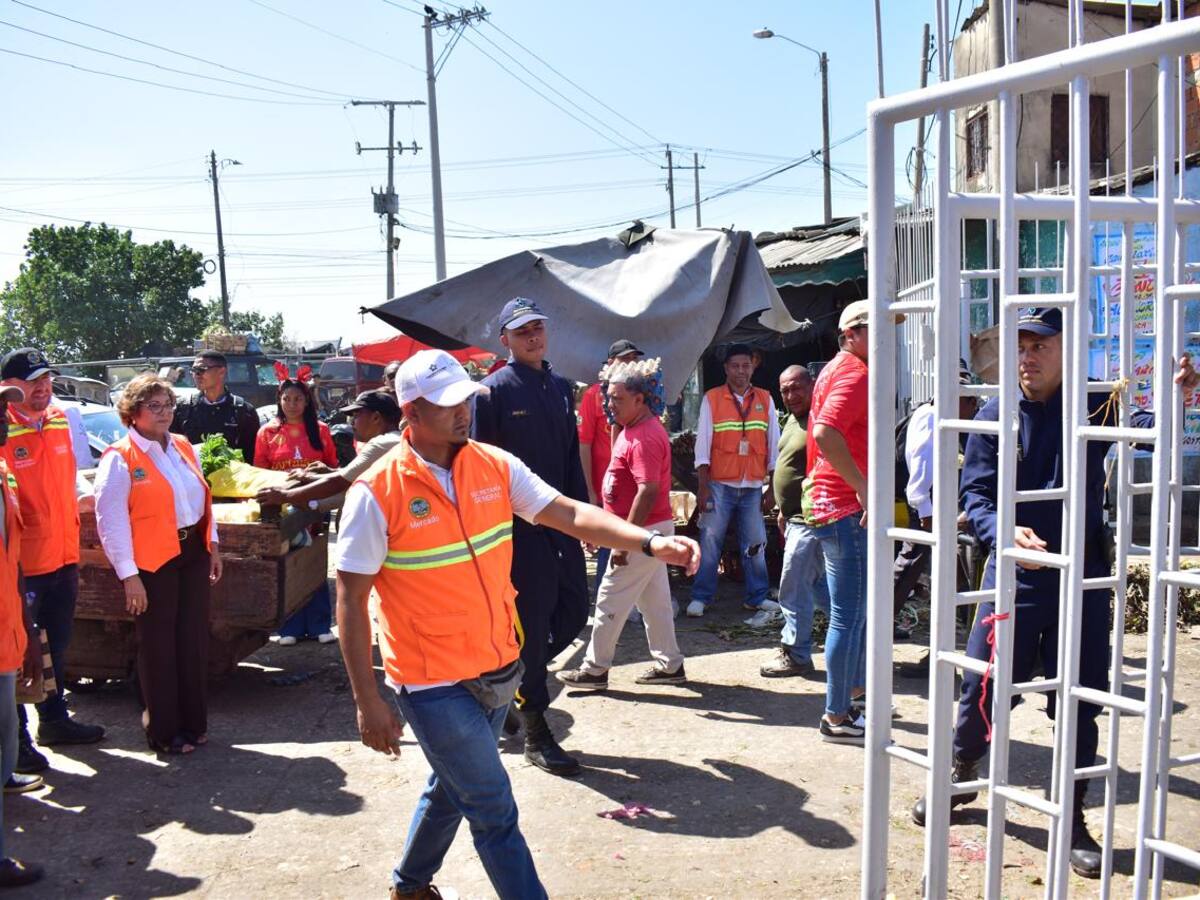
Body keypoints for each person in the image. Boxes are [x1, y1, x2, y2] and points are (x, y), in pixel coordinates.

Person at [335, 349, 699, 899]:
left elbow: (570, 512)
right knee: (493, 808)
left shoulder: (493, 465)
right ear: (409, 410)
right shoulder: (375, 493)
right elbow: (350, 599)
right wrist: (368, 699)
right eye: (447, 403)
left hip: (499, 663)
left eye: (466, 399)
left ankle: (409, 886)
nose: (463, 412)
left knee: (450, 786)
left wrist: (649, 540)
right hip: (431, 679)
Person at [910, 307, 1198, 877]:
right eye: (1021, 347)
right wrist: (1002, 533)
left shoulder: (1094, 406)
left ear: (1067, 351)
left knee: (1081, 701)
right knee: (982, 686)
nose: (1028, 357)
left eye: (1040, 346)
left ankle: (1071, 818)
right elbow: (976, 497)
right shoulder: (996, 413)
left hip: (1082, 583)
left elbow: (1147, 433)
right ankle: (963, 767)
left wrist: (1177, 395)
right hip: (1014, 578)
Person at [471, 298, 591, 776]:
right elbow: (479, 470)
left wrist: (584, 521)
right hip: (517, 535)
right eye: (522, 332)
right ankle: (537, 732)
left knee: (574, 612)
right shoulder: (490, 393)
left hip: (560, 524)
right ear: (505, 340)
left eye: (538, 328)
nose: (533, 337)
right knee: (531, 627)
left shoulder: (562, 388)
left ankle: (507, 681)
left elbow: (568, 461)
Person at [94, 374, 222, 755]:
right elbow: (111, 521)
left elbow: (201, 498)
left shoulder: (183, 446)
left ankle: (193, 723)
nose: (164, 413)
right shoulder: (120, 458)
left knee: (193, 641)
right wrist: (129, 576)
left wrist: (211, 544)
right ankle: (165, 732)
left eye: (168, 405)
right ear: (133, 413)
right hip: (152, 563)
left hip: (191, 554)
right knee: (158, 647)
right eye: (154, 406)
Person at [0, 348, 104, 775]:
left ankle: (54, 720)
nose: (44, 388)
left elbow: (71, 474)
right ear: (11, 387)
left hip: (63, 555)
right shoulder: (4, 429)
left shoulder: (60, 418)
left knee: (56, 647)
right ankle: (17, 740)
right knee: (19, 653)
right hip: (23, 566)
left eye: (47, 380)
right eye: (34, 381)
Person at [557, 358, 685, 689]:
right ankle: (670, 664)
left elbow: (648, 489)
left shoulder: (644, 436)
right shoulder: (633, 429)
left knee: (610, 598)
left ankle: (594, 669)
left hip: (644, 533)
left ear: (640, 400)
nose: (609, 404)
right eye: (608, 397)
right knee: (655, 604)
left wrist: (626, 541)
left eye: (617, 399)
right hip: (647, 532)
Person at [804, 301, 871, 744]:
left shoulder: (836, 368)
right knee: (848, 616)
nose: (888, 338)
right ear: (849, 334)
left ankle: (852, 697)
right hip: (842, 503)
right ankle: (837, 716)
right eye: (874, 328)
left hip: (827, 502)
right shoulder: (856, 373)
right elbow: (825, 432)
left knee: (850, 613)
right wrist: (863, 486)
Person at [687, 343, 781, 618]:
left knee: (755, 542)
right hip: (719, 484)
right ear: (726, 369)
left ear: (753, 367)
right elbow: (702, 446)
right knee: (711, 540)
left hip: (752, 485)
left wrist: (772, 487)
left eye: (746, 365)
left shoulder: (765, 398)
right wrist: (702, 488)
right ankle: (701, 597)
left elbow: (774, 445)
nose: (741, 371)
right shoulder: (712, 398)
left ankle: (757, 597)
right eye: (735, 366)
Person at [892, 359, 977, 638]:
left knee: (945, 564)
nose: (974, 408)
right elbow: (920, 469)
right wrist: (927, 514)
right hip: (927, 507)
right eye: (970, 401)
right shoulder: (931, 417)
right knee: (909, 564)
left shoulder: (937, 415)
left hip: (934, 505)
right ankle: (877, 621)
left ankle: (967, 622)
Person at [0, 381, 46, 888]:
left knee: (5, 739)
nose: (5, 419)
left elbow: (12, 562)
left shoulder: (3, 473)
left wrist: (29, 632)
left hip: (7, 632)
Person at [255, 373, 338, 646]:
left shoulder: (321, 430)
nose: (292, 404)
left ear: (306, 401)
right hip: (283, 510)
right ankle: (289, 626)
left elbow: (333, 469)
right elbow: (259, 473)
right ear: (279, 400)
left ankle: (319, 623)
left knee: (314, 560)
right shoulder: (267, 432)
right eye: (287, 398)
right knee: (287, 562)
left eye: (298, 399)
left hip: (315, 507)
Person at [760, 365, 829, 678]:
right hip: (795, 518)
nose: (791, 395)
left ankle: (796, 653)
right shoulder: (790, 421)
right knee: (819, 589)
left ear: (811, 385)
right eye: (785, 390)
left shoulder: (820, 419)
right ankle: (864, 639)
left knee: (793, 586)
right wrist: (782, 510)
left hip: (811, 519)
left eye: (797, 388)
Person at [255, 389, 404, 511]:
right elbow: (349, 476)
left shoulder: (382, 444)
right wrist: (321, 474)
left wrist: (286, 496)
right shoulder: (393, 440)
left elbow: (340, 482)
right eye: (286, 399)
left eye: (356, 415)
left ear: (376, 418)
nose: (352, 422)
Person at [579, 339, 645, 603]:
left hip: (634, 485)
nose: (630, 365)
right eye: (624, 360)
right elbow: (584, 445)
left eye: (633, 360)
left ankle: (631, 603)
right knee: (610, 544)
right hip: (607, 487)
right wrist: (590, 490)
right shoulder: (593, 395)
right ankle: (608, 601)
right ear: (610, 363)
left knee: (633, 539)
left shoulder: (643, 396)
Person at [170, 350, 259, 465]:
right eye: (193, 370)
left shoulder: (243, 411)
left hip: (232, 479)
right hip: (193, 478)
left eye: (201, 369)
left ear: (221, 372)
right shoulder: (183, 408)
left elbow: (251, 456)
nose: (196, 375)